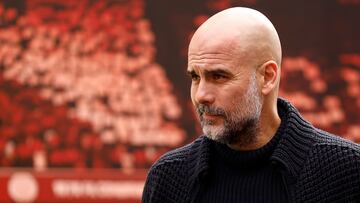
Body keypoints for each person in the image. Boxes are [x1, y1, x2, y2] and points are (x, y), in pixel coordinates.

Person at [142, 7, 360, 203]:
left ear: (267, 77)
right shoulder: (169, 178)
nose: (201, 95)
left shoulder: (346, 171)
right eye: (195, 77)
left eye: (218, 76)